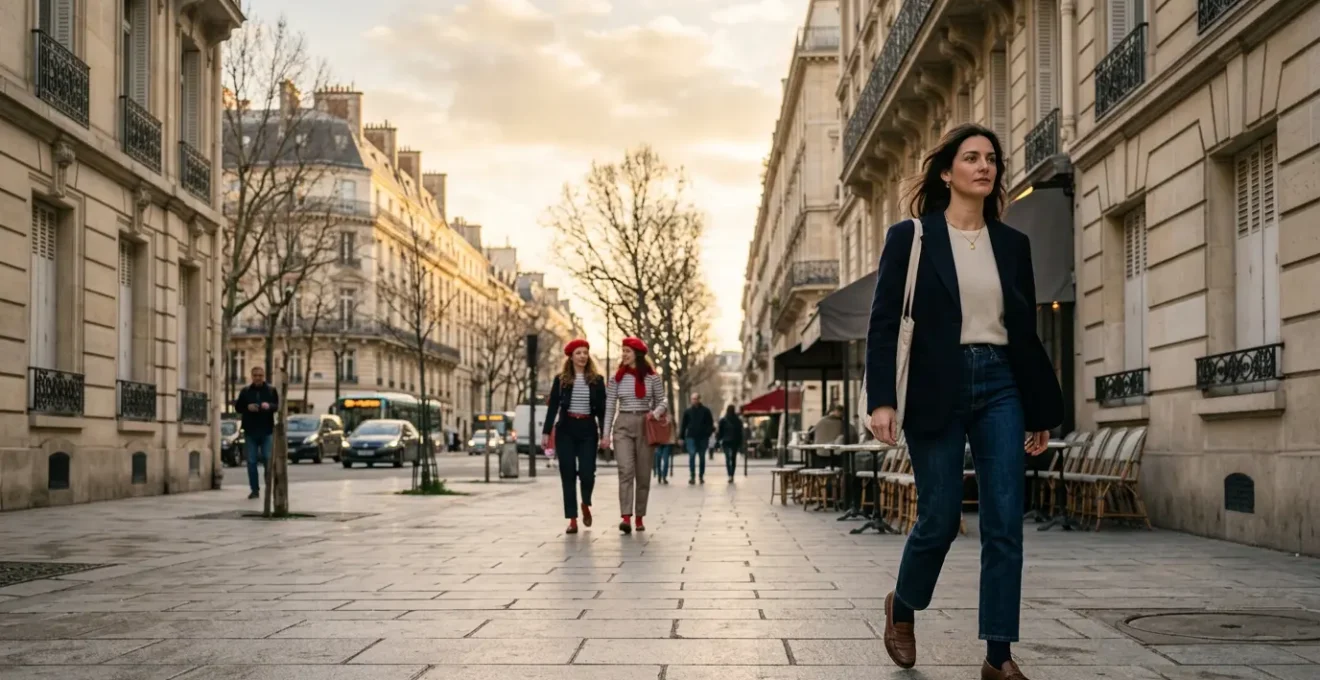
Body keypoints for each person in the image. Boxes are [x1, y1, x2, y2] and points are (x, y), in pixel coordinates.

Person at [865, 124, 1063, 680]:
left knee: (1004, 520)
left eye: (992, 160)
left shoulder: (1012, 244)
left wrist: (1041, 409)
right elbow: (884, 324)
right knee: (941, 518)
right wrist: (882, 399)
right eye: (971, 158)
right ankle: (902, 606)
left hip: (1000, 382)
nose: (985, 166)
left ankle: (998, 657)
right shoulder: (913, 238)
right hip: (935, 386)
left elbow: (1024, 332)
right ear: (946, 172)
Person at [602, 337, 668, 534]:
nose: (623, 354)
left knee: (643, 475)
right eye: (622, 351)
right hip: (622, 424)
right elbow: (610, 406)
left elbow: (662, 401)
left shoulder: (652, 378)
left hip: (644, 425)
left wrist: (654, 414)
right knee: (626, 470)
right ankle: (626, 517)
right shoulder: (616, 379)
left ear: (637, 354)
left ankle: (639, 517)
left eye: (627, 351)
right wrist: (605, 434)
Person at [541, 339, 606, 535]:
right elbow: (553, 407)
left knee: (587, 473)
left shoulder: (597, 380)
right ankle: (572, 519)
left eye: (585, 352)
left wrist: (605, 433)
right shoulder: (561, 380)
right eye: (578, 353)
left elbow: (602, 410)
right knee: (567, 475)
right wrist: (546, 432)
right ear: (571, 356)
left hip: (587, 429)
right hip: (566, 430)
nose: (583, 356)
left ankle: (586, 503)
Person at [233, 366, 279, 500]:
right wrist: (248, 407)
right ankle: (254, 490)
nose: (258, 378)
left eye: (260, 375)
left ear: (263, 376)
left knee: (268, 459)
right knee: (251, 462)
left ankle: (269, 487)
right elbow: (238, 407)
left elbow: (277, 405)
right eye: (255, 375)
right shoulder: (245, 391)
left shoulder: (271, 390)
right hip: (250, 431)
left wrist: (268, 406)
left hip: (266, 430)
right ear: (251, 376)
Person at [680, 394, 714, 484]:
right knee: (692, 455)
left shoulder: (706, 411)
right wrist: (681, 437)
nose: (694, 401)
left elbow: (710, 424)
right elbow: (683, 425)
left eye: (695, 399)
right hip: (691, 437)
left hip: (703, 437)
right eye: (692, 399)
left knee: (702, 457)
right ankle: (692, 476)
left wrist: (708, 433)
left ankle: (701, 476)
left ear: (699, 399)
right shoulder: (688, 411)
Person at [715, 405, 743, 481]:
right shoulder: (738, 420)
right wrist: (740, 443)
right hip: (735, 442)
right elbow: (740, 433)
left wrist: (717, 441)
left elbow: (719, 433)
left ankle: (729, 474)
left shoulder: (723, 420)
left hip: (726, 441)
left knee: (727, 458)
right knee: (733, 458)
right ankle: (732, 475)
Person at [653, 416, 677, 484]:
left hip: (667, 442)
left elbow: (673, 430)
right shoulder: (656, 417)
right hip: (658, 442)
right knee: (658, 459)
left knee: (666, 460)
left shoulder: (670, 418)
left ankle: (664, 476)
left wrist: (673, 440)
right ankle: (660, 474)